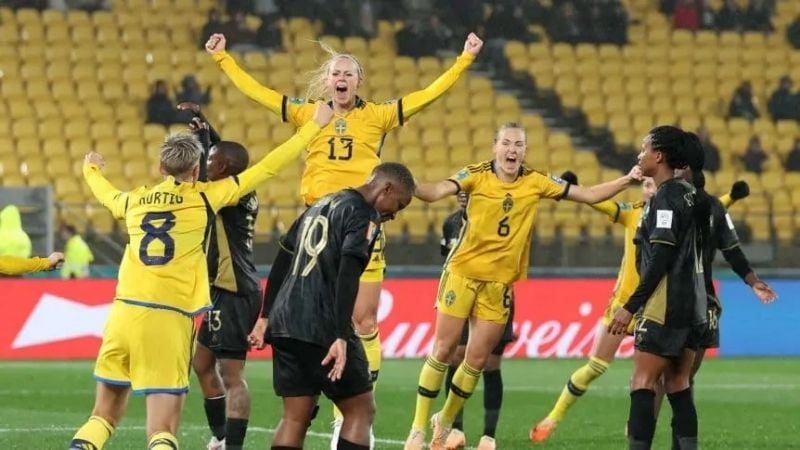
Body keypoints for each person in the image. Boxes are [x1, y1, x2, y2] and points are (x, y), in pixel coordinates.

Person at [206, 30, 483, 445]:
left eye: (349, 74)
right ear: (328, 80)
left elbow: (427, 95)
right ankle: (327, 395)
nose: (341, 78)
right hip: (317, 223)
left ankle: (344, 409)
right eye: (336, 72)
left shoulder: (377, 116)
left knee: (364, 320)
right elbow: (261, 94)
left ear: (358, 82)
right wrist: (223, 59)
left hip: (359, 222)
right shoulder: (309, 113)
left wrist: (463, 60)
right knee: (309, 314)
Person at [67, 103, 332, 450]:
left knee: (101, 416)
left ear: (161, 166)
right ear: (195, 170)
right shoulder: (207, 197)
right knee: (162, 430)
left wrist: (91, 168)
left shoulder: (134, 201)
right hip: (169, 319)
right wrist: (313, 126)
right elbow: (269, 166)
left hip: (122, 315)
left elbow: (104, 193)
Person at [404, 122, 642, 450]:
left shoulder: (536, 181)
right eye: (506, 143)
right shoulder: (475, 175)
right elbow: (433, 193)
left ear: (525, 150)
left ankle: (444, 419)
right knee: (444, 350)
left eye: (518, 144)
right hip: (462, 274)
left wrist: (627, 180)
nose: (512, 149)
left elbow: (587, 195)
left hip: (499, 284)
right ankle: (417, 428)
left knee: (476, 361)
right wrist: (409, 183)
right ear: (494, 147)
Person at [530, 174, 749, 443]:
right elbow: (595, 202)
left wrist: (732, 198)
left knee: (657, 378)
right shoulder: (630, 213)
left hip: (658, 305)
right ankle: (553, 417)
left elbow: (711, 208)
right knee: (596, 366)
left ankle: (640, 429)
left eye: (653, 184)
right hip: (624, 305)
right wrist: (573, 187)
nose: (649, 189)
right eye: (645, 185)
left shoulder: (677, 213)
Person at [248, 162, 416, 450]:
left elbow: (282, 259)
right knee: (360, 410)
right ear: (386, 188)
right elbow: (347, 274)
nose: (395, 214)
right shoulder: (363, 216)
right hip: (322, 325)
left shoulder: (320, 204)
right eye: (398, 204)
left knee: (294, 417)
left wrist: (265, 316)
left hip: (285, 320)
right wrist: (340, 334)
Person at [650, 152, 778, 449]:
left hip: (671, 303)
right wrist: (752, 281)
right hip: (698, 303)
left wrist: (753, 281)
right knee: (680, 381)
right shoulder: (712, 206)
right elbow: (732, 250)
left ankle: (647, 438)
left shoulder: (674, 203)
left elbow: (732, 252)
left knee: (660, 380)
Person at [608, 126, 710, 450]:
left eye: (644, 148)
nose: (640, 154)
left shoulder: (665, 197)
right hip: (694, 305)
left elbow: (661, 259)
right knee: (678, 383)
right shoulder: (692, 195)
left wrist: (631, 306)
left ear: (659, 155)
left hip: (664, 304)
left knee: (643, 382)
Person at [178, 103, 260, 450]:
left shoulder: (233, 194)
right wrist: (206, 128)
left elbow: (213, 171)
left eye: (209, 160)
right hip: (219, 291)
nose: (204, 165)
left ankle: (233, 446)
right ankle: (221, 435)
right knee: (200, 363)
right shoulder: (234, 184)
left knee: (232, 375)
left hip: (236, 290)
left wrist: (203, 135)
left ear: (223, 168)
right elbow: (224, 157)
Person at [439, 192, 516, 450]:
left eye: (469, 193)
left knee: (490, 364)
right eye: (461, 193)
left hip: (495, 294)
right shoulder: (450, 223)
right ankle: (454, 429)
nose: (463, 197)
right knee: (456, 357)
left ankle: (488, 436)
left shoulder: (499, 220)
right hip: (462, 295)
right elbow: (446, 258)